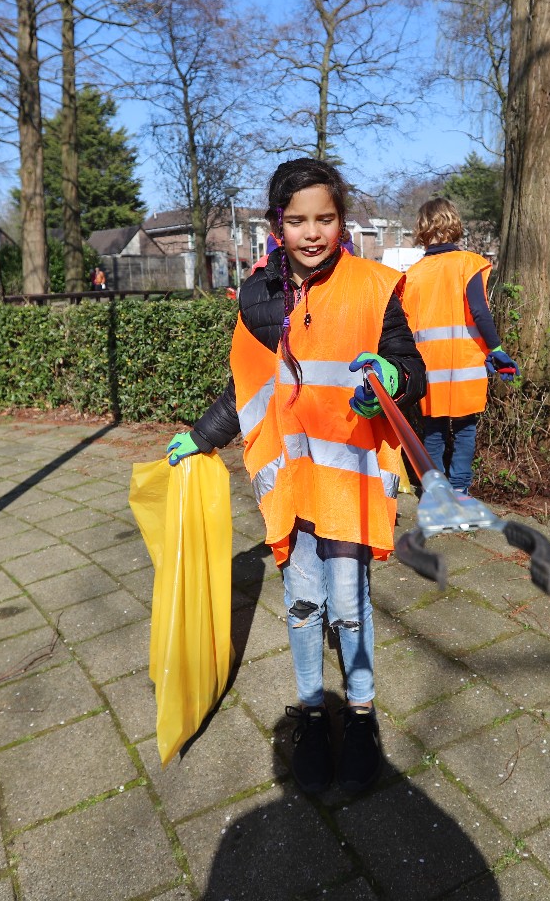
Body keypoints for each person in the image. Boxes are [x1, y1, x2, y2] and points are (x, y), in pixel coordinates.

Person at [166, 158, 426, 796]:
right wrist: (202, 436)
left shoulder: (378, 286)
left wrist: (392, 381)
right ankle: (312, 712)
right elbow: (247, 387)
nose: (313, 233)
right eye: (298, 220)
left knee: (350, 605)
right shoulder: (258, 296)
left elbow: (409, 366)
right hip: (293, 487)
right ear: (276, 224)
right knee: (304, 604)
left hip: (350, 485)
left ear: (342, 220)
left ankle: (360, 716)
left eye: (326, 218)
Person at [399, 197, 517, 497]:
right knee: (465, 428)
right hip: (465, 364)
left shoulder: (412, 275)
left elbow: (405, 324)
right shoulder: (469, 264)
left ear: (422, 230)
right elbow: (479, 311)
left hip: (429, 367)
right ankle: (460, 488)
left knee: (433, 430)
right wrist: (496, 349)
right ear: (454, 225)